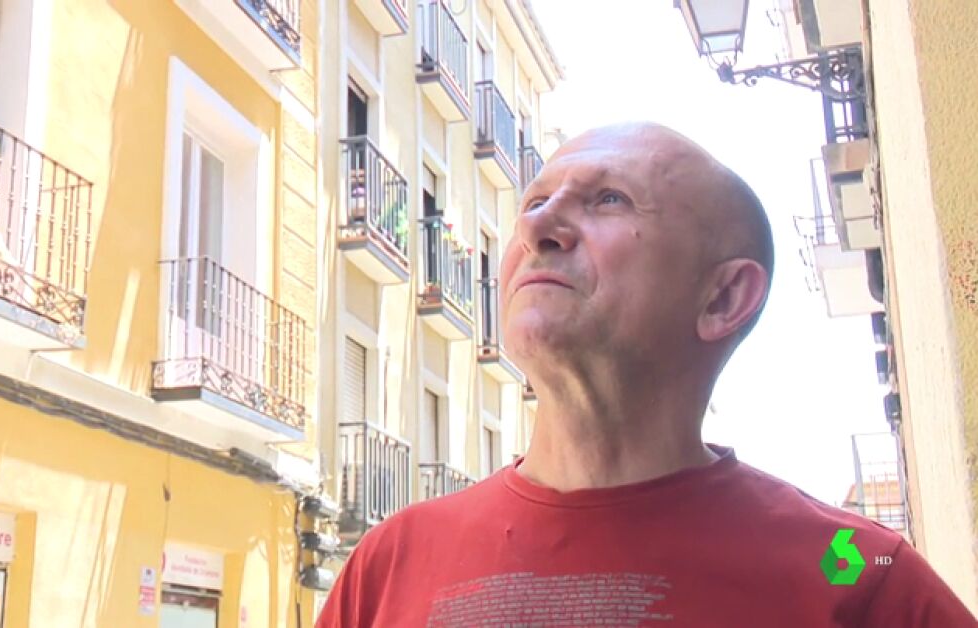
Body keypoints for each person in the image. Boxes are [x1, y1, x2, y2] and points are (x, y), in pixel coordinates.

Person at [315, 123, 977, 627]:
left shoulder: (860, 577)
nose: (536, 225)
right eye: (535, 201)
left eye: (609, 199)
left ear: (723, 297)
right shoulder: (387, 564)